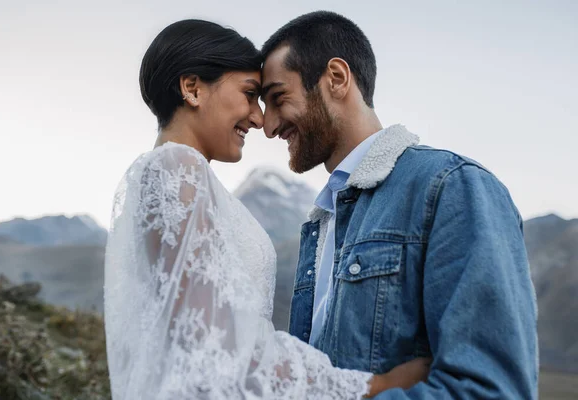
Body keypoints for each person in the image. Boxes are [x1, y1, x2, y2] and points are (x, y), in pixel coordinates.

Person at [103, 19, 429, 400]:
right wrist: (373, 386)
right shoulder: (176, 168)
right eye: (250, 94)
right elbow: (215, 340)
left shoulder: (181, 176)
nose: (260, 119)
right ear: (192, 89)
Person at [260, 10, 538, 399]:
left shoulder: (452, 186)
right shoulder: (321, 222)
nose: (268, 125)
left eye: (278, 98)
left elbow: (489, 391)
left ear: (336, 78)